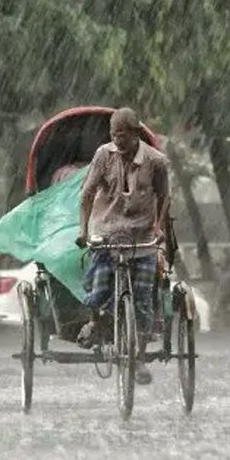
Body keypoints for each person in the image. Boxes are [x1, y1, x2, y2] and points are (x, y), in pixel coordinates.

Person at [75, 107, 170, 385]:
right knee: (98, 289)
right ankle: (97, 321)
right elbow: (87, 194)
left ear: (136, 133)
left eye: (123, 135)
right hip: (107, 234)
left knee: (142, 302)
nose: (118, 141)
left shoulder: (156, 161)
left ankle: (138, 358)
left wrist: (159, 227)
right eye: (114, 135)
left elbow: (165, 196)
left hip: (142, 238)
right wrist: (83, 230)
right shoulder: (103, 156)